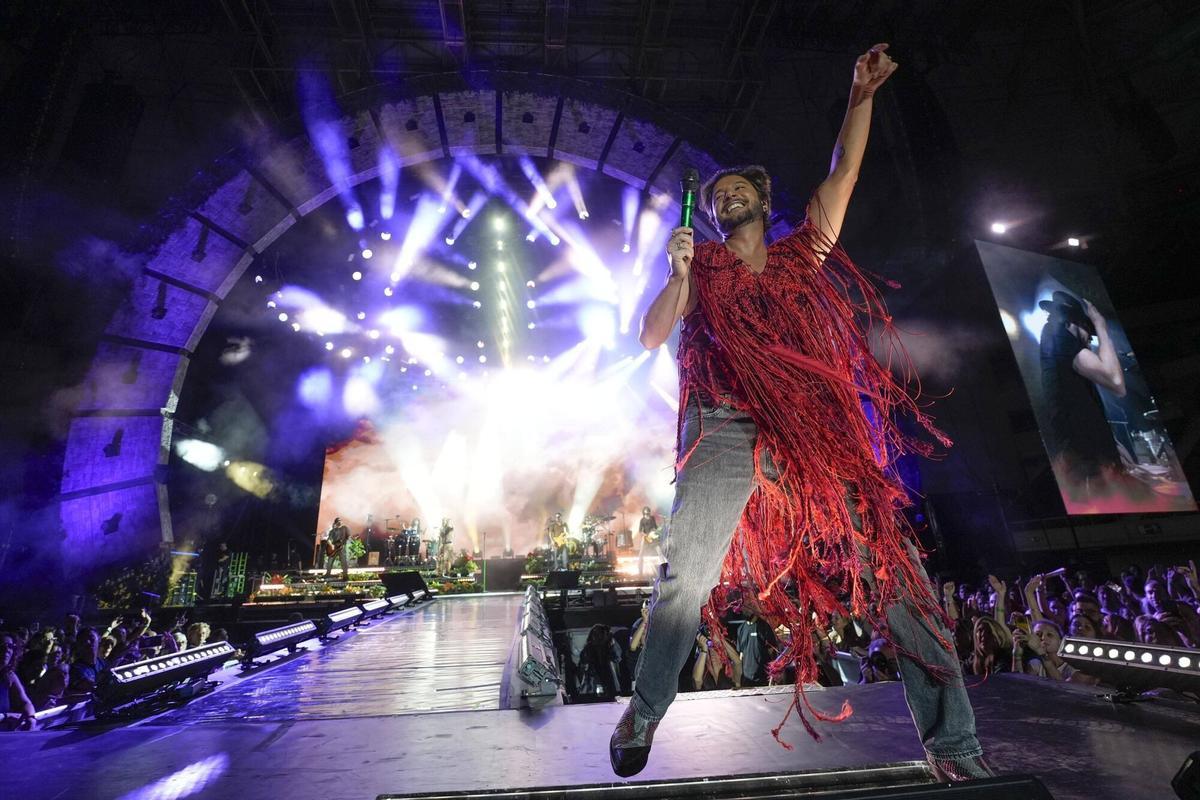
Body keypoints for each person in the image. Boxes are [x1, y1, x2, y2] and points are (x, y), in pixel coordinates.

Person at [610, 43, 990, 782]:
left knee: (897, 567)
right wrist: (676, 275)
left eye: (736, 190)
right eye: (715, 198)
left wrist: (860, 95)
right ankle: (645, 710)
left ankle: (954, 747)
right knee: (689, 574)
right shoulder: (703, 268)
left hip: (811, 424)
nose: (724, 199)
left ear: (761, 196)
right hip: (724, 422)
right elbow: (651, 336)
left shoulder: (799, 254)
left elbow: (843, 171)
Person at [1038, 290, 1134, 502]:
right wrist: (1101, 326)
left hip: (1088, 456)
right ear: (1072, 322)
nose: (1090, 338)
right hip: (1086, 463)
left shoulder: (1058, 341)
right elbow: (1117, 383)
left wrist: (1111, 444)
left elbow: (1078, 406)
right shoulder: (1057, 335)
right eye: (1087, 330)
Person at [637, 507, 661, 577]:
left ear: (650, 513)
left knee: (660, 552)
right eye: (646, 513)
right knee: (640, 554)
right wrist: (645, 535)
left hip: (652, 537)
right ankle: (640, 572)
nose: (647, 515)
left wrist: (658, 531)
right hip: (645, 538)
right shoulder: (642, 520)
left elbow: (656, 527)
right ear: (644, 513)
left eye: (648, 513)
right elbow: (640, 531)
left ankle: (664, 570)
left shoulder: (652, 518)